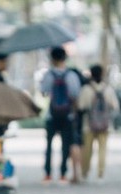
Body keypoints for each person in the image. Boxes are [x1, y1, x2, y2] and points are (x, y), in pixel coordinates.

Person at [40, 46, 82, 184]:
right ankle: (63, 174)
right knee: (65, 145)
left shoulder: (48, 75)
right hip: (67, 115)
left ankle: (48, 174)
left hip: (51, 115)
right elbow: (75, 94)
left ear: (52, 59)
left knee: (49, 145)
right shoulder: (72, 75)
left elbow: (44, 92)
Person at [77, 64, 120, 181]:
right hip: (105, 126)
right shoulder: (108, 89)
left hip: (88, 125)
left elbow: (80, 107)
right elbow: (115, 106)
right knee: (102, 150)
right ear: (102, 74)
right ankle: (100, 174)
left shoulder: (86, 89)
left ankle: (85, 173)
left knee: (87, 150)